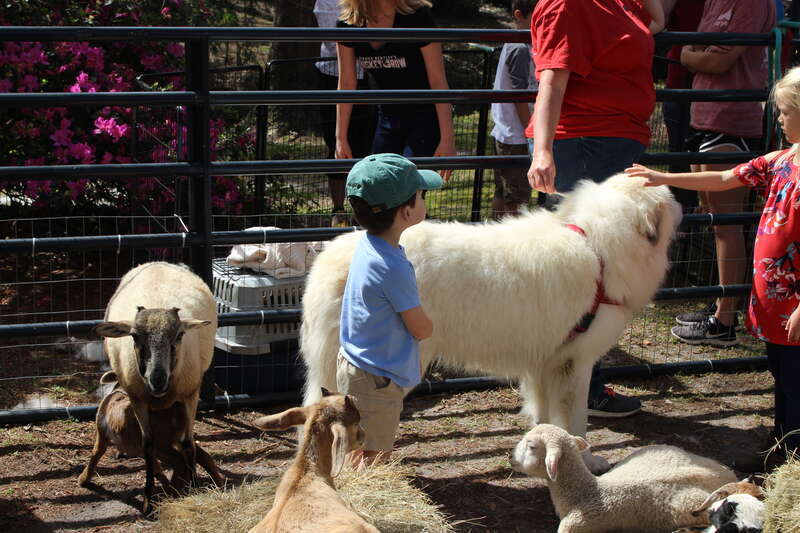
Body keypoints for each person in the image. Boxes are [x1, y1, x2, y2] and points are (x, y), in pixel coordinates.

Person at [625, 65, 800, 467]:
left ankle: (791, 459)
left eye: (785, 110)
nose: (778, 118)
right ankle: (780, 449)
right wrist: (660, 176)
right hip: (772, 300)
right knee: (782, 377)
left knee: (796, 381)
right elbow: (723, 177)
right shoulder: (780, 161)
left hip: (795, 303)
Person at [524, 0, 664, 418]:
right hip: (585, 145)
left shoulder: (619, 3)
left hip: (609, 144)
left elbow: (656, 22)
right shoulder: (570, 4)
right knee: (587, 273)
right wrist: (542, 151)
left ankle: (576, 385)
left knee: (600, 271)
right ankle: (575, 389)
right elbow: (552, 79)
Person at [670, 0, 775, 346]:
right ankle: (720, 305)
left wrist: (689, 55)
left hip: (731, 119)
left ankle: (724, 322)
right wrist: (696, 52)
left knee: (727, 225)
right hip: (706, 115)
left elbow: (717, 58)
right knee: (715, 222)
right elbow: (703, 50)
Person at [337, 153, 443, 466]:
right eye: (421, 194)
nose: (424, 199)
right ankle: (362, 501)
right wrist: (432, 327)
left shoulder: (369, 245)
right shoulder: (392, 266)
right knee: (374, 454)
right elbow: (419, 327)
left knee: (358, 443)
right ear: (407, 211)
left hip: (357, 364)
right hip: (376, 378)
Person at [335, 0, 455, 178]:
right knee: (381, 185)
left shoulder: (417, 17)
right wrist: (340, 138)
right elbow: (346, 83)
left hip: (424, 117)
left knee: (408, 187)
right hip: (386, 118)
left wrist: (448, 139)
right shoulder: (349, 24)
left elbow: (438, 81)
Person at [313, 0, 375, 227]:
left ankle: (367, 211)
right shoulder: (328, 2)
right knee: (337, 144)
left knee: (369, 145)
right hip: (334, 77)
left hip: (372, 79)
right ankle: (338, 210)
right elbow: (333, 40)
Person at [490, 0, 537, 220]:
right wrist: (533, 134)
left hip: (507, 132)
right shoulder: (520, 47)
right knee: (516, 198)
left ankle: (495, 234)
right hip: (516, 136)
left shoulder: (518, 43)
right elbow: (520, 97)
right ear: (519, 15)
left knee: (504, 191)